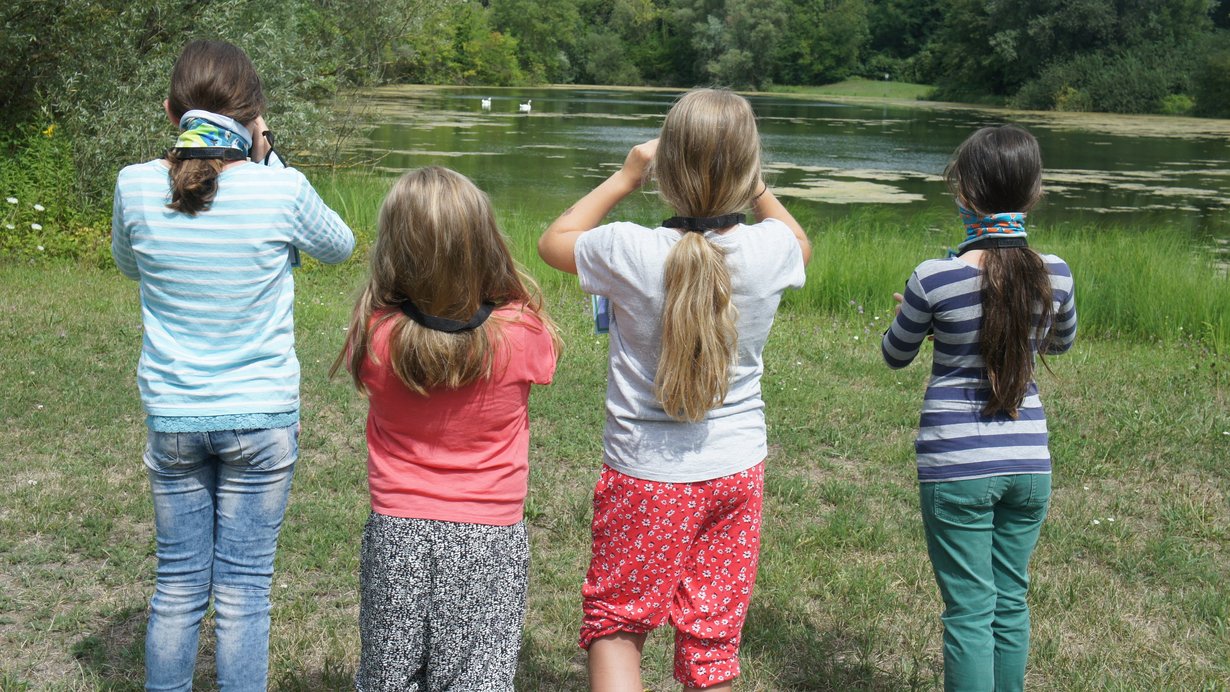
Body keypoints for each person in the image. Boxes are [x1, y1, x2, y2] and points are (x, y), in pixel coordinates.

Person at [538, 88, 811, 692]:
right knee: (711, 638)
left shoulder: (629, 248)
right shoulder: (771, 251)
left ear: (666, 168)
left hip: (644, 474)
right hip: (736, 469)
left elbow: (555, 240)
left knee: (617, 625)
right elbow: (799, 241)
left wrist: (626, 175)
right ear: (749, 168)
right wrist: (756, 186)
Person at [111, 39, 355, 691]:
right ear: (253, 118)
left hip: (175, 415)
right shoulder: (280, 189)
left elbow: (129, 263)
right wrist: (267, 157)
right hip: (262, 418)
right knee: (245, 593)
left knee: (178, 586)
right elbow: (340, 247)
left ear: (170, 112)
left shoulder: (134, 186)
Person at [333, 166, 559, 691]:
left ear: (394, 249)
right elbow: (540, 359)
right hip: (490, 536)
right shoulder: (522, 331)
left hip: (398, 531)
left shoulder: (374, 334)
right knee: (476, 676)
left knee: (390, 674)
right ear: (484, 243)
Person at [880, 125, 1078, 692]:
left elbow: (895, 354)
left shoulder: (933, 276)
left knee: (969, 609)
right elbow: (1058, 342)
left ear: (963, 193)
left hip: (956, 467)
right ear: (1033, 193)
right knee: (1010, 600)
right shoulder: (1056, 272)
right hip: (1028, 463)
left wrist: (913, 312)